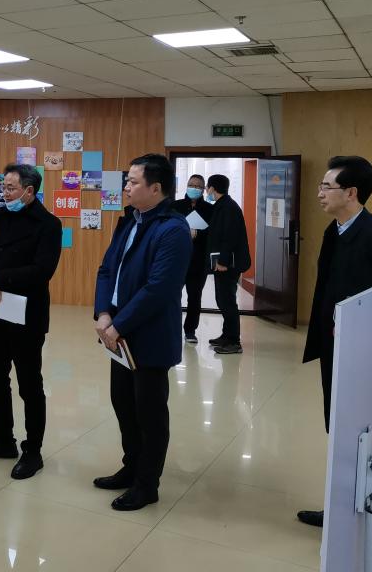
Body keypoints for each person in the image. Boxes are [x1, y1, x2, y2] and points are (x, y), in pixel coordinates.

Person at [296, 156, 372, 528]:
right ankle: (340, 508)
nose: (319, 193)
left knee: (359, 434)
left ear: (351, 192)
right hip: (335, 348)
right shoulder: (334, 231)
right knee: (339, 428)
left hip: (365, 355)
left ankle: (357, 511)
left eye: (326, 186)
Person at [93, 154, 191, 511]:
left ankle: (147, 484)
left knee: (149, 412)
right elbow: (107, 270)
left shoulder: (173, 229)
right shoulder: (129, 221)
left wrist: (118, 325)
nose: (126, 187)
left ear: (156, 188)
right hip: (117, 332)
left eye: (133, 182)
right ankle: (131, 466)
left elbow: (159, 288)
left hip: (147, 335)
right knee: (123, 403)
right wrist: (104, 313)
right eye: (127, 181)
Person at [0, 163, 62, 480]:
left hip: (27, 316)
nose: (5, 193)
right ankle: (2, 439)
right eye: (4, 187)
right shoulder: (1, 215)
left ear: (29, 191)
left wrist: (0, 278)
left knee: (29, 384)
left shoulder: (49, 224)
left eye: (10, 188)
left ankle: (32, 450)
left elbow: (42, 270)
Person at [203, 174, 251, 355]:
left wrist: (223, 261)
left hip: (228, 264)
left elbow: (229, 237)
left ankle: (234, 342)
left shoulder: (228, 208)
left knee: (227, 301)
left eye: (207, 187)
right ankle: (226, 335)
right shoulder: (223, 205)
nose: (206, 191)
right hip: (224, 262)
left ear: (212, 188)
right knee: (222, 299)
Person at [172, 174, 213, 343]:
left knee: (194, 297)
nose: (194, 188)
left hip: (198, 261)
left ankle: (190, 330)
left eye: (197, 186)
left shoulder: (209, 209)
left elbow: (213, 234)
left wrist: (199, 233)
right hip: (177, 260)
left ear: (203, 189)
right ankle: (171, 328)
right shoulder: (176, 206)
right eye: (191, 185)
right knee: (172, 296)